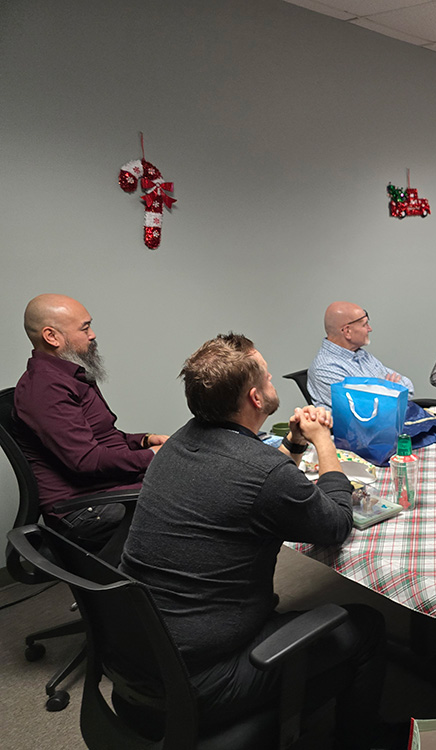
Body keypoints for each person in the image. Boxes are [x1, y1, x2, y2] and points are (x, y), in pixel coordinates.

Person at [121, 333, 386, 747]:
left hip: (142, 652)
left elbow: (255, 482)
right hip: (203, 679)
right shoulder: (262, 471)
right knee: (367, 624)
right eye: (266, 376)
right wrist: (322, 441)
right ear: (256, 398)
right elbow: (336, 522)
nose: (271, 380)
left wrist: (295, 443)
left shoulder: (178, 444)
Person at [11, 294, 168, 550]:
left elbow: (103, 438)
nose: (92, 334)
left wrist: (144, 440)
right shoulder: (46, 388)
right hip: (84, 511)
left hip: (109, 490)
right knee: (195, 509)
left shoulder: (69, 375)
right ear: (52, 337)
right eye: (85, 328)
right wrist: (152, 456)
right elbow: (86, 461)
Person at [307, 301, 413, 409]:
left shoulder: (361, 355)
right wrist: (389, 390)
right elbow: (364, 412)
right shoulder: (325, 369)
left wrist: (386, 392)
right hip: (370, 426)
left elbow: (407, 386)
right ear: (347, 331)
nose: (369, 329)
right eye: (364, 324)